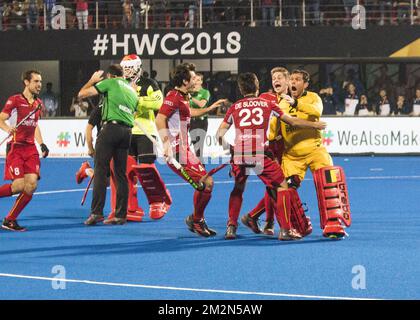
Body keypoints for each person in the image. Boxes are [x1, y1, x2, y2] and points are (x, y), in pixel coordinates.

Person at [216, 72, 326, 240]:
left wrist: (231, 148)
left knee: (238, 188)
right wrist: (314, 125)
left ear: (240, 88)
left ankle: (231, 227)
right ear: (258, 86)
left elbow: (219, 134)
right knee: (282, 186)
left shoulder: (235, 107)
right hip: (260, 154)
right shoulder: (266, 104)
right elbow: (293, 122)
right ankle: (285, 230)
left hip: (240, 154)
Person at [277, 69, 349, 238]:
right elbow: (274, 128)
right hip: (291, 155)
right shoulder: (281, 103)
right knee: (287, 189)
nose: (293, 82)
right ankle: (297, 225)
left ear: (305, 84)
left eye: (297, 79)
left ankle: (333, 223)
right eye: (292, 79)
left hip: (315, 149)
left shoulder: (313, 97)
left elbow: (316, 112)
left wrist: (295, 103)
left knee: (329, 179)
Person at [155, 62, 223, 237]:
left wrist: (208, 108)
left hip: (185, 150)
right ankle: (196, 220)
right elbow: (159, 119)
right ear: (185, 81)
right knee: (206, 183)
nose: (197, 80)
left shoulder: (183, 97)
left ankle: (196, 219)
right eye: (193, 78)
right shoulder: (173, 96)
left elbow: (188, 112)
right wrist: (166, 143)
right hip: (177, 151)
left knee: (204, 184)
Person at [78, 64, 138, 226]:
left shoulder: (111, 83)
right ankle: (120, 215)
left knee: (100, 170)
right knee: (121, 174)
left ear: (111, 76)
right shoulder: (132, 91)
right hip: (127, 132)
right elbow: (133, 112)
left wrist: (92, 80)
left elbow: (82, 94)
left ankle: (97, 213)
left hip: (110, 129)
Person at [117, 54, 171, 220]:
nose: (127, 71)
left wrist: (135, 100)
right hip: (126, 131)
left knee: (147, 171)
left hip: (145, 132)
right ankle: (131, 206)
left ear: (138, 66)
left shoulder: (149, 83)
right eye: (125, 67)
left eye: (130, 67)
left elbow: (158, 102)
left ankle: (158, 202)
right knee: (128, 173)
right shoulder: (120, 84)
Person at [240, 66, 289, 236]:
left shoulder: (291, 100)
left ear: (287, 81)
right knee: (274, 185)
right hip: (268, 147)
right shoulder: (265, 98)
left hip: (285, 146)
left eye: (279, 77)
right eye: (273, 77)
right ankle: (268, 221)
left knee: (277, 185)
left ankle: (257, 218)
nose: (276, 80)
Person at [0, 70, 49, 231]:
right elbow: (1, 118)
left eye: (40, 81)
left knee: (31, 185)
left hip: (30, 149)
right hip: (15, 148)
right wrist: (8, 128)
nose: (39, 85)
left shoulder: (38, 104)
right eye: (36, 81)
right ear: (26, 82)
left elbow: (35, 126)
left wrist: (41, 144)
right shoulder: (14, 100)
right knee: (19, 185)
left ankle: (9, 220)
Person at [189, 72, 212, 162]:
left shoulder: (205, 92)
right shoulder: (189, 92)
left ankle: (201, 165)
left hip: (201, 121)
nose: (196, 82)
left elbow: (202, 104)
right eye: (194, 79)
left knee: (199, 145)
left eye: (198, 80)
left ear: (201, 82)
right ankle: (199, 165)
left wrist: (191, 98)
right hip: (191, 121)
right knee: (195, 145)